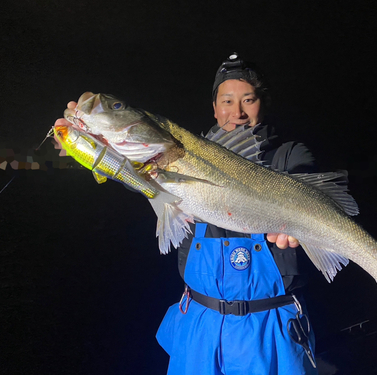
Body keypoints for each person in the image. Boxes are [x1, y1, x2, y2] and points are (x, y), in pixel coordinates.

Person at [156, 53, 319, 375]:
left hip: (268, 327)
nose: (238, 113)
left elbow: (309, 183)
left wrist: (304, 223)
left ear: (263, 103)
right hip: (198, 322)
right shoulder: (183, 154)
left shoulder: (288, 155)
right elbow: (135, 174)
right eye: (227, 101)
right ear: (214, 107)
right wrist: (87, 144)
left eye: (249, 100)